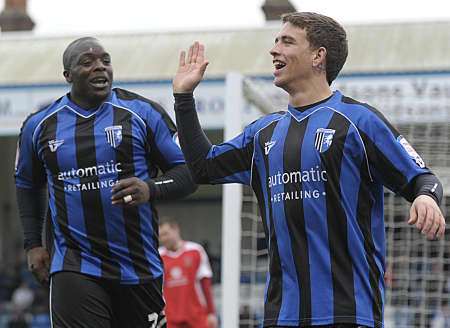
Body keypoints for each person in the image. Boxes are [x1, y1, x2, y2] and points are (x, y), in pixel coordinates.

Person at [171, 12, 446, 328]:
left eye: (287, 41)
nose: (274, 50)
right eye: (275, 41)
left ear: (319, 56)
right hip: (282, 314)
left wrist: (424, 197)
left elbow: (423, 178)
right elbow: (203, 167)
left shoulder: (358, 122)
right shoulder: (262, 133)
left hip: (348, 312)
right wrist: (183, 97)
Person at [14, 36, 197, 328]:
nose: (100, 67)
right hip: (74, 264)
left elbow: (189, 173)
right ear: (68, 75)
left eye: (105, 61)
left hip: (138, 266)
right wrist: (33, 243)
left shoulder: (143, 113)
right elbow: (26, 185)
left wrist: (149, 188)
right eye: (87, 63)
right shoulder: (39, 125)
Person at [158, 218, 217, 328]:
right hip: (170, 317)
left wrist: (211, 313)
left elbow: (206, 284)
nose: (163, 239)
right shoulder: (158, 256)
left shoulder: (195, 250)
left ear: (176, 229)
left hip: (196, 315)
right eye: (160, 236)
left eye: (166, 234)